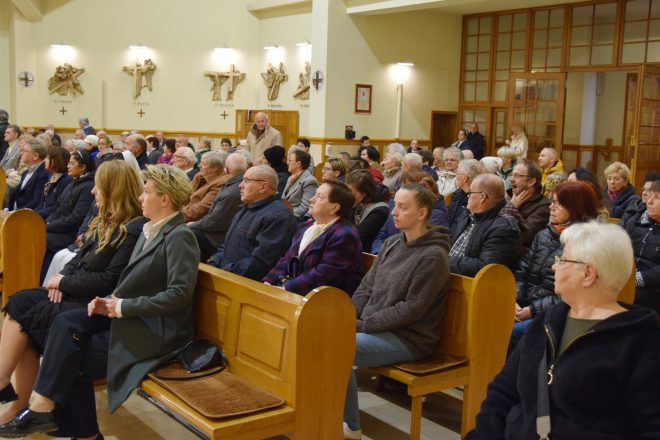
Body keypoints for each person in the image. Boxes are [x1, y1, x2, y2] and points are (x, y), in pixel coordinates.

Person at [466, 222, 660, 440]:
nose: (554, 267)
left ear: (588, 273)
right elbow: (503, 393)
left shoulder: (640, 341)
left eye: (563, 260)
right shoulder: (548, 321)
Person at [0, 160, 145, 430]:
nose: (93, 192)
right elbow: (77, 258)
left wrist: (64, 283)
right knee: (20, 299)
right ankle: (8, 389)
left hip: (94, 304)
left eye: (98, 188)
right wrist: (58, 281)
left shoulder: (134, 229)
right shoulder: (105, 219)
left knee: (31, 319)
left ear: (113, 189)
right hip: (75, 292)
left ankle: (21, 402)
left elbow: (108, 280)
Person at [343, 184, 451, 439]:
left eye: (403, 207)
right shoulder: (393, 243)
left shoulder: (433, 256)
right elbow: (366, 286)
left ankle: (350, 426)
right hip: (378, 328)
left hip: (410, 337)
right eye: (394, 206)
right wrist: (349, 316)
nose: (394, 212)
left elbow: (411, 309)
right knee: (322, 337)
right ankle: (321, 409)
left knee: (339, 347)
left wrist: (361, 325)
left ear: (422, 213)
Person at [510, 181, 602, 353]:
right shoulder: (544, 234)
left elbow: (574, 293)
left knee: (515, 333)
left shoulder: (587, 242)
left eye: (557, 204)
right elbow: (522, 270)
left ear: (575, 207)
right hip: (524, 306)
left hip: (559, 312)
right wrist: (515, 300)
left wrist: (533, 310)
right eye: (551, 202)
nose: (551, 207)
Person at [263, 180, 363, 296]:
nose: (311, 199)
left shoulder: (345, 235)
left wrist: (286, 288)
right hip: (297, 293)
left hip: (325, 302)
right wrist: (269, 281)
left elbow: (325, 274)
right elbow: (287, 258)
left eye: (319, 197)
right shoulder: (306, 226)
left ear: (334, 208)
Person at [208, 165, 297, 281]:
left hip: (244, 284)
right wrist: (214, 261)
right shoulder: (247, 208)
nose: (240, 185)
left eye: (246, 181)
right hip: (228, 276)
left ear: (263, 187)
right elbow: (229, 245)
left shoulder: (278, 217)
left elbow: (260, 263)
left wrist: (226, 272)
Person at [450, 174, 522, 276]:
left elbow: (485, 268)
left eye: (470, 192)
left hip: (474, 287)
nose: (467, 196)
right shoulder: (467, 215)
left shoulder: (504, 228)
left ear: (482, 197)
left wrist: (445, 261)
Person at [42, 150, 96, 281]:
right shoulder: (73, 182)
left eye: (72, 164)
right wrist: (46, 223)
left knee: (39, 238)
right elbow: (59, 209)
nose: (68, 166)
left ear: (83, 167)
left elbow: (76, 219)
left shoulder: (88, 186)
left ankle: (41, 279)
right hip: (59, 228)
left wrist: (47, 227)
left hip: (70, 233)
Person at [188, 153, 247, 262]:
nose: (200, 166)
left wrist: (191, 225)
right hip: (214, 229)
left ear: (227, 170)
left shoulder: (232, 189)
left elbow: (213, 221)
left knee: (187, 233)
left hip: (217, 238)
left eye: (204, 164)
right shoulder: (232, 183)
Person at [372, 172, 448, 254]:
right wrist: (378, 253)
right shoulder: (391, 242)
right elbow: (381, 236)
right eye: (402, 185)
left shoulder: (436, 215)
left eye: (407, 186)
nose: (393, 212)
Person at [622, 179, 660, 313]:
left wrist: (636, 279)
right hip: (626, 276)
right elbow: (620, 244)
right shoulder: (637, 220)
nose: (649, 202)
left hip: (652, 288)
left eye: (657, 198)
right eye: (650, 196)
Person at [509, 159, 551, 249]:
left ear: (531, 182)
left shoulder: (544, 206)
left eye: (517, 176)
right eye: (511, 175)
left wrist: (511, 209)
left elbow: (524, 236)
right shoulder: (511, 199)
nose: (511, 179)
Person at [345, 170, 389, 252]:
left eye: (352, 193)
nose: (348, 195)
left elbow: (356, 235)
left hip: (364, 253)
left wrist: (349, 207)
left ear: (365, 193)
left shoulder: (380, 210)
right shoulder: (355, 203)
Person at [6, 136, 49, 211]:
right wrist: (7, 208)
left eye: (24, 151)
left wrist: (16, 213)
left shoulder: (43, 174)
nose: (21, 153)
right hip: (13, 211)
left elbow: (36, 201)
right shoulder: (26, 172)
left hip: (25, 216)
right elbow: (15, 193)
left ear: (35, 156)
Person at [183, 151, 228, 222]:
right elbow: (184, 193)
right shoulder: (201, 176)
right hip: (183, 212)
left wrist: (175, 217)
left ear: (214, 168)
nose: (199, 166)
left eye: (203, 164)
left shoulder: (220, 184)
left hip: (192, 221)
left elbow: (201, 209)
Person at [447, 158, 482, 236]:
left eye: (457, 172)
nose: (455, 176)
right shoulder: (457, 194)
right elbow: (448, 218)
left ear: (465, 178)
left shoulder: (479, 200)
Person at [35, 146, 71, 219]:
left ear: (57, 160)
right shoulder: (51, 175)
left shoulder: (66, 180)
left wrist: (36, 215)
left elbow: (56, 207)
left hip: (51, 219)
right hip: (41, 215)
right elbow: (42, 202)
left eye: (48, 158)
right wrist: (34, 213)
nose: (44, 160)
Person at [282, 149, 319, 219]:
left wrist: (286, 218)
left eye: (290, 161)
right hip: (285, 214)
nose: (287, 163)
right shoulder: (291, 178)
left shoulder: (310, 181)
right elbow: (283, 200)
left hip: (296, 219)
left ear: (298, 164)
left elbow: (305, 208)